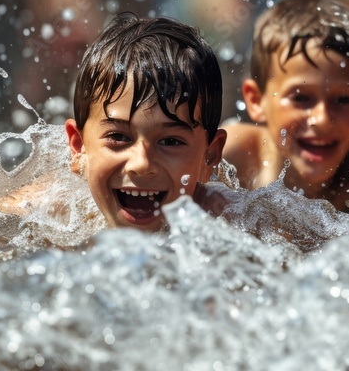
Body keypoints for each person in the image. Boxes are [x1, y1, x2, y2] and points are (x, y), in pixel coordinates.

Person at [222, 0, 349, 213]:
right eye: (301, 98)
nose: (322, 119)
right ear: (256, 100)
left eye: (343, 100)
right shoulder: (234, 154)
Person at [63, 14, 228, 231]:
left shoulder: (234, 226)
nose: (141, 164)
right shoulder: (50, 215)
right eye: (118, 137)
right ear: (78, 147)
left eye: (170, 141)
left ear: (209, 156)